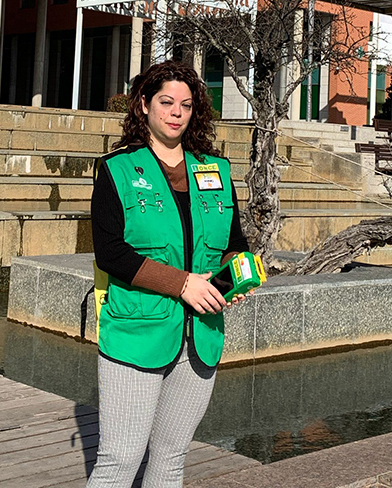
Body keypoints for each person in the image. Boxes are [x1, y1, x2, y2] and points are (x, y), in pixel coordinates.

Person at [88, 60, 250, 487]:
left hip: (201, 335)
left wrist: (233, 282)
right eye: (166, 102)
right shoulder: (116, 169)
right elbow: (111, 253)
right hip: (137, 333)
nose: (176, 112)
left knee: (171, 460)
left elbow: (236, 242)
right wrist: (183, 284)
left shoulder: (214, 168)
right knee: (120, 460)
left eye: (186, 104)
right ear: (143, 105)